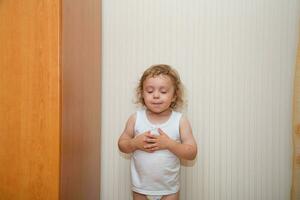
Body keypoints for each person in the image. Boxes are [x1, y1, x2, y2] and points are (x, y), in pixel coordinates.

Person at [118, 64, 197, 200]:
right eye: (149, 91)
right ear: (142, 94)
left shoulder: (180, 121)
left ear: (174, 96)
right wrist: (134, 143)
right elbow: (122, 144)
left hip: (169, 190)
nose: (155, 95)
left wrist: (169, 144)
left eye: (163, 91)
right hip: (140, 188)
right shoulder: (136, 118)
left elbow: (192, 153)